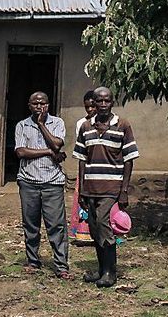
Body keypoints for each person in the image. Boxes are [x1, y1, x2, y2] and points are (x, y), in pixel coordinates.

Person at [72, 86, 138, 288]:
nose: (102, 105)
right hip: (90, 186)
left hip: (112, 187)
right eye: (98, 101)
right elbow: (82, 160)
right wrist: (81, 189)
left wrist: (124, 190)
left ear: (112, 102)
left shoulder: (123, 125)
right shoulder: (85, 127)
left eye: (106, 101)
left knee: (103, 224)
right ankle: (101, 270)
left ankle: (110, 272)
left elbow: (129, 159)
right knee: (93, 228)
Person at [14, 91, 72, 278]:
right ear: (29, 106)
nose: (40, 107)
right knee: (31, 225)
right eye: (36, 104)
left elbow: (57, 144)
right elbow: (21, 152)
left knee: (56, 226)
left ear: (49, 105)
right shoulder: (22, 125)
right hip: (28, 181)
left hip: (53, 182)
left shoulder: (58, 123)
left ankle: (61, 265)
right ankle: (33, 261)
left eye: (43, 103)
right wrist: (48, 151)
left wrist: (41, 125)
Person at [69, 90, 97, 245]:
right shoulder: (81, 124)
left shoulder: (111, 122)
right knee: (84, 199)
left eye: (93, 106)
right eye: (87, 107)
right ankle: (84, 232)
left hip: (102, 169)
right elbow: (81, 148)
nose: (91, 110)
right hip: (86, 165)